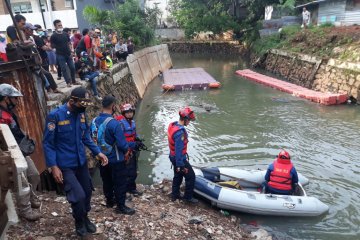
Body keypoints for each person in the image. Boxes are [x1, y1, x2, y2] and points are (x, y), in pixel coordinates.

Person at [42, 87, 108, 237]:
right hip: (65, 165)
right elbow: (48, 144)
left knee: (87, 192)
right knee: (77, 196)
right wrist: (53, 166)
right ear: (72, 101)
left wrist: (98, 152)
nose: (83, 108)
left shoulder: (81, 114)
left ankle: (85, 217)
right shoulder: (55, 116)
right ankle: (79, 221)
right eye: (81, 105)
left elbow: (86, 137)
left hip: (81, 162)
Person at [0, 84, 41, 221]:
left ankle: (32, 196)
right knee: (21, 183)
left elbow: (15, 130)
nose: (17, 101)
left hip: (19, 150)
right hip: (11, 154)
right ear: (6, 98)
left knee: (34, 175)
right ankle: (25, 211)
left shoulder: (8, 112)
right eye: (14, 98)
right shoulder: (1, 115)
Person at [92, 95, 136, 215]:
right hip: (115, 159)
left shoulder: (94, 120)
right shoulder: (114, 123)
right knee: (120, 182)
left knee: (106, 180)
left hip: (101, 158)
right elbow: (122, 144)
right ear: (113, 106)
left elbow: (92, 139)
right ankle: (121, 206)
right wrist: (128, 149)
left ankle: (109, 201)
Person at [168, 107, 198, 203]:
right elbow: (178, 150)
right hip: (179, 158)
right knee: (191, 176)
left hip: (173, 157)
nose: (189, 122)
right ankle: (188, 198)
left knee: (178, 176)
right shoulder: (180, 133)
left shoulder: (173, 126)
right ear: (185, 119)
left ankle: (175, 195)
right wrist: (180, 165)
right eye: (188, 120)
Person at [24, 23, 60, 93]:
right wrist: (49, 48)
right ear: (26, 30)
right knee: (44, 74)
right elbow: (43, 48)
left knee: (46, 74)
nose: (32, 31)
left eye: (33, 30)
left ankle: (51, 89)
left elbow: (37, 49)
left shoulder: (33, 38)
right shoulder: (27, 39)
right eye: (31, 30)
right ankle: (50, 89)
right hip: (33, 60)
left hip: (38, 59)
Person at [116, 103, 142, 196]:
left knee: (134, 171)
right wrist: (133, 144)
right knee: (128, 172)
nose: (130, 114)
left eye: (131, 112)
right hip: (126, 152)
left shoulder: (132, 123)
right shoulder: (121, 125)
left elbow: (134, 134)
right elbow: (120, 141)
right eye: (127, 112)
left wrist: (138, 140)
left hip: (132, 150)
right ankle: (126, 190)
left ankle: (132, 188)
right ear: (124, 113)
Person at [50, 20, 80, 87]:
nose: (60, 26)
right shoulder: (53, 36)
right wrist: (54, 49)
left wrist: (71, 51)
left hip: (68, 54)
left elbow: (69, 43)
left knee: (72, 67)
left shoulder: (65, 34)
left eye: (61, 25)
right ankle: (68, 82)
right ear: (55, 26)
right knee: (64, 69)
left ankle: (73, 81)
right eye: (59, 25)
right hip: (60, 55)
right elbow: (52, 46)